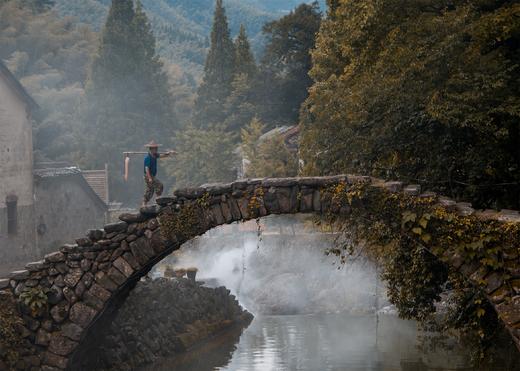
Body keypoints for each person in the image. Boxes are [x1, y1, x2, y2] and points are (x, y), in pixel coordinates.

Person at [142, 140, 175, 207]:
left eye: (156, 148)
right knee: (159, 185)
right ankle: (157, 200)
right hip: (148, 175)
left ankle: (147, 202)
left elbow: (162, 156)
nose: (156, 149)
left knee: (150, 189)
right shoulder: (148, 158)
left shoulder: (155, 155)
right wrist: (150, 178)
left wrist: (169, 153)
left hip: (152, 175)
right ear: (151, 149)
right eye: (155, 148)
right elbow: (146, 169)